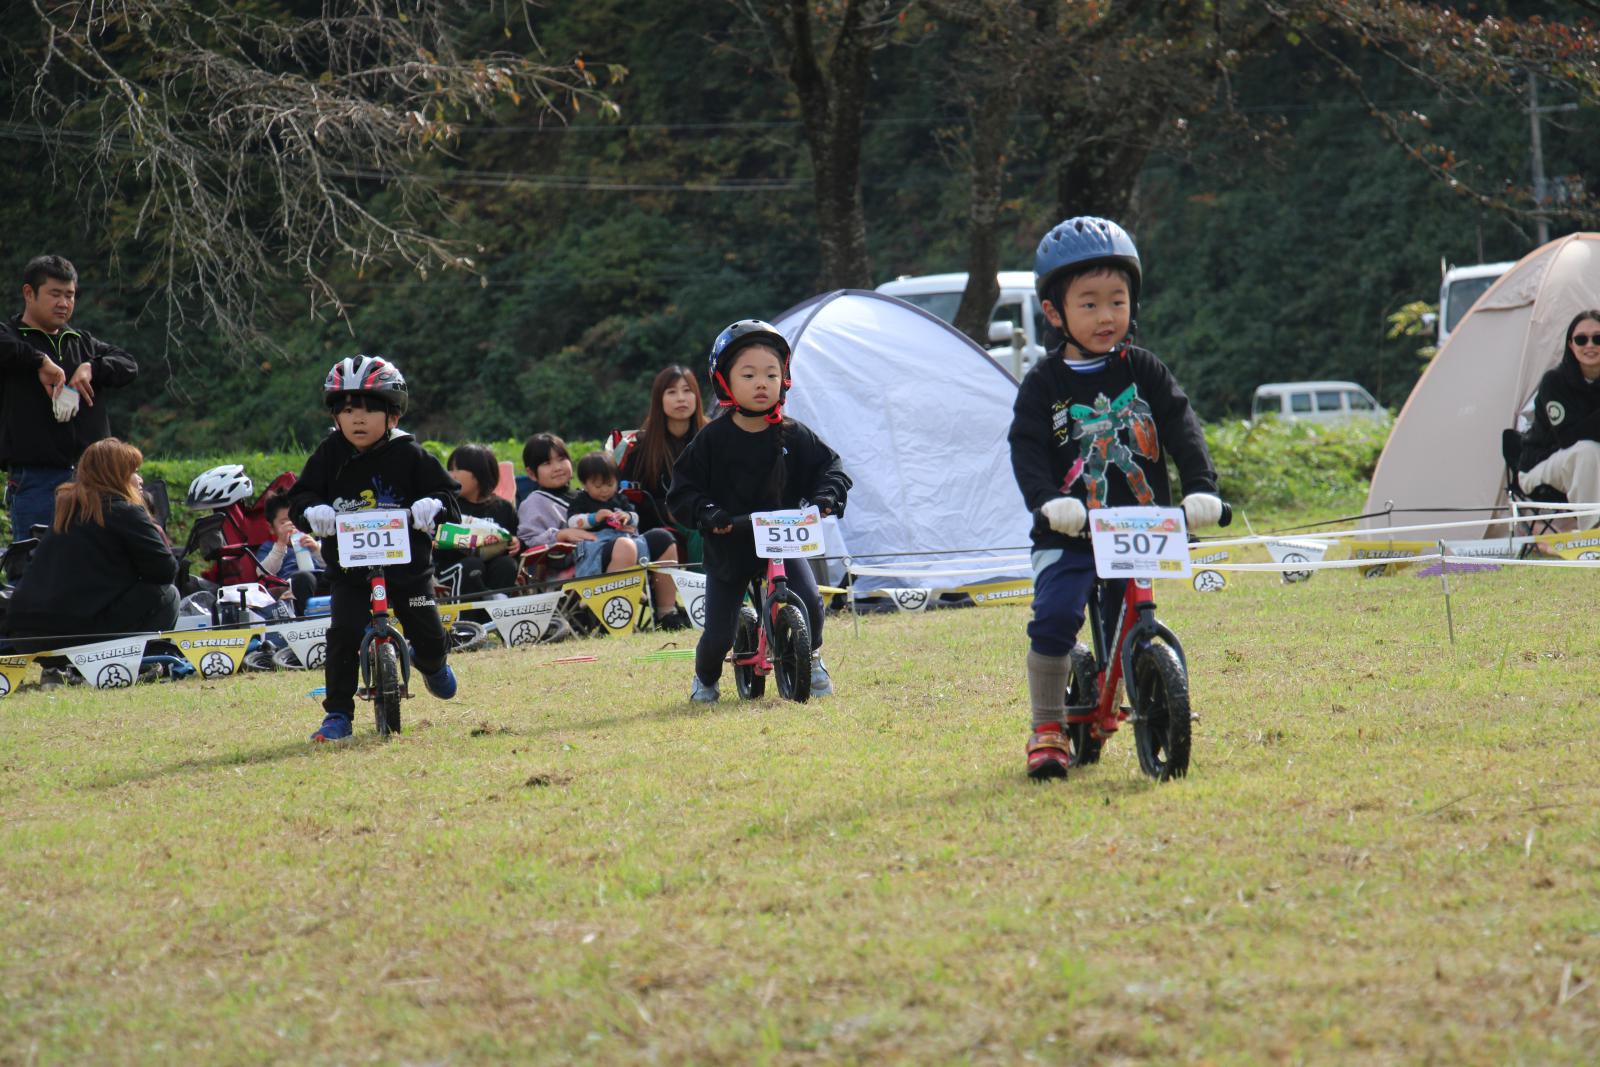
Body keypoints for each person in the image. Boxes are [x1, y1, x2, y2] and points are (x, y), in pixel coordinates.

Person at [1010, 216, 1223, 780]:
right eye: (1089, 304)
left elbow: (1182, 428)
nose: (1106, 316)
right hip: (1069, 532)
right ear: (1054, 312)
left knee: (1128, 618)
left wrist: (1201, 488)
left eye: (1117, 301)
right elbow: (1026, 448)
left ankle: (1131, 681)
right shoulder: (1045, 384)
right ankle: (1047, 727)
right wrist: (1047, 500)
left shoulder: (1144, 369)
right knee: (1056, 615)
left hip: (1138, 527)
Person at [669, 320, 852, 703]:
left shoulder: (794, 434)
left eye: (771, 374)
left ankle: (812, 657)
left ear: (784, 379)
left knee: (811, 604)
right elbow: (683, 490)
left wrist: (824, 497)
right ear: (724, 382)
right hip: (730, 544)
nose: (761, 383)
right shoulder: (712, 439)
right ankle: (705, 680)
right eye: (748, 375)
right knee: (719, 634)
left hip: (782, 541)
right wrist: (708, 512)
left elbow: (831, 468)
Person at [289, 355, 461, 742]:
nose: (358, 419)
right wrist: (312, 511)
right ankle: (338, 714)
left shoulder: (411, 454)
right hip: (350, 573)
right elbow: (300, 498)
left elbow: (450, 497)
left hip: (408, 570)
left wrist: (433, 504)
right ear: (335, 416)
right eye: (348, 410)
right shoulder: (329, 454)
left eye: (369, 409)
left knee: (429, 635)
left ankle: (431, 663)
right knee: (343, 634)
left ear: (393, 415)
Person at [0, 255, 139, 543]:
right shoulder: (12, 337)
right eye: (55, 294)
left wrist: (92, 368)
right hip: (37, 481)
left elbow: (128, 365)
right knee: (36, 564)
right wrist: (39, 361)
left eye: (70, 295)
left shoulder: (81, 342)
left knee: (100, 563)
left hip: (95, 480)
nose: (64, 303)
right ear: (29, 293)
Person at [3, 437, 178, 646]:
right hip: (73, 633)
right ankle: (143, 657)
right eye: (134, 472)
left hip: (24, 631)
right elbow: (165, 571)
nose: (140, 480)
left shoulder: (67, 512)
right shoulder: (124, 511)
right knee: (167, 594)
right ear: (115, 476)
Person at [619, 364, 709, 564]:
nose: (681, 398)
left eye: (687, 390)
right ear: (659, 399)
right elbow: (629, 497)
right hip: (660, 524)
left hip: (708, 512)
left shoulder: (711, 437)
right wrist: (666, 509)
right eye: (672, 392)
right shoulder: (641, 446)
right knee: (700, 532)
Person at [1517, 310, 1600, 527]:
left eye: (1597, 339)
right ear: (1571, 345)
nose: (1590, 345)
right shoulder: (1554, 382)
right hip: (1541, 464)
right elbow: (1568, 438)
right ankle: (1593, 534)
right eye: (1581, 340)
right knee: (1586, 451)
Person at [438, 443, 522, 595]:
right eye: (450, 469)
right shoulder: (448, 506)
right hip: (453, 569)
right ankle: (466, 610)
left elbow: (517, 542)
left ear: (479, 474)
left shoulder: (504, 508)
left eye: (457, 469)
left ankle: (497, 606)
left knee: (507, 564)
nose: (451, 474)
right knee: (473, 565)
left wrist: (517, 543)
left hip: (491, 569)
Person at [565, 451, 652, 578]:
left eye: (610, 484)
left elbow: (635, 518)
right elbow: (572, 522)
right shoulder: (581, 500)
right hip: (596, 542)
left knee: (644, 542)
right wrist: (594, 518)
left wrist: (627, 517)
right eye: (598, 486)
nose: (605, 490)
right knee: (619, 548)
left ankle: (641, 579)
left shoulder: (620, 499)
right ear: (585, 484)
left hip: (622, 537)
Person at [254, 492, 329, 611]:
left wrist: (316, 549)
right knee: (303, 578)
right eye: (284, 522)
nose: (292, 526)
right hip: (293, 585)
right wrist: (280, 545)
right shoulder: (270, 547)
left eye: (295, 520)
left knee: (339, 575)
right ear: (271, 528)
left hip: (320, 579)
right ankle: (305, 618)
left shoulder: (315, 543)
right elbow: (262, 573)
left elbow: (331, 563)